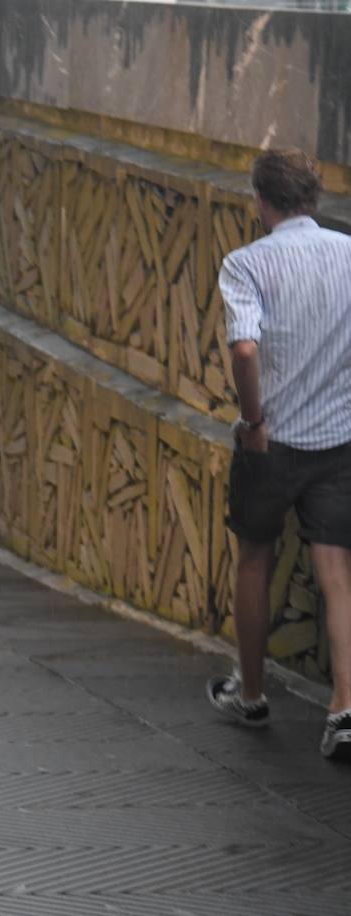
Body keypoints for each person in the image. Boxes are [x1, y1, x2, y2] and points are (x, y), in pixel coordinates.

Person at [207, 148, 351, 762]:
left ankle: (254, 693)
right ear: (313, 198)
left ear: (260, 201)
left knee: (254, 559)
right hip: (339, 437)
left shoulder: (245, 263)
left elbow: (244, 351)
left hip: (271, 441)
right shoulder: (349, 254)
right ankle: (344, 710)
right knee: (337, 572)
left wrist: (255, 422)